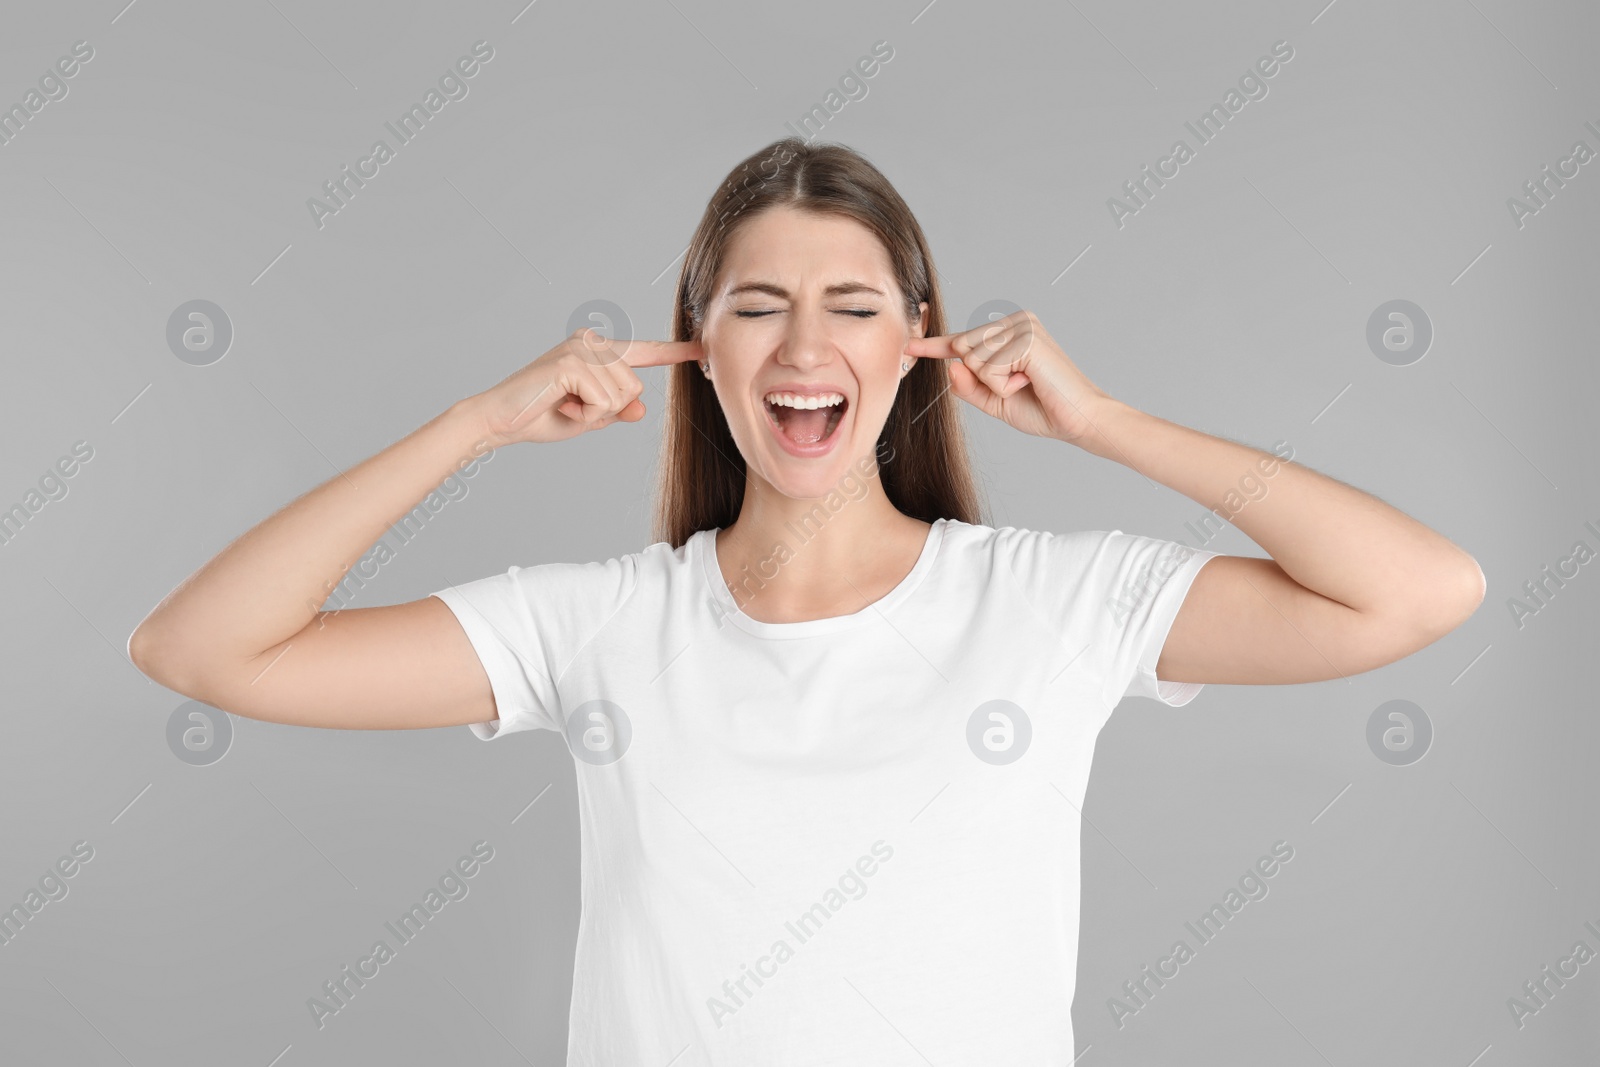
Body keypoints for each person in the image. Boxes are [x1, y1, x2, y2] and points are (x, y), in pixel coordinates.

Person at [128, 137, 1485, 1064]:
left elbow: (1421, 591)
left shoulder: (1056, 601)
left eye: (851, 305)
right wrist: (471, 424)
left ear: (918, 345)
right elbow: (202, 649)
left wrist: (1109, 423)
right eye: (756, 307)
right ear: (696, 353)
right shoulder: (600, 626)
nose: (804, 347)